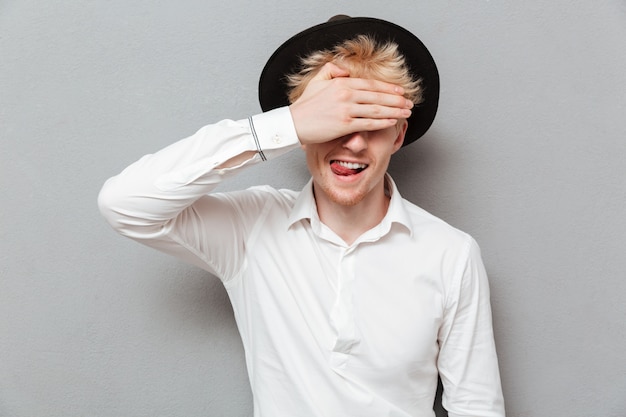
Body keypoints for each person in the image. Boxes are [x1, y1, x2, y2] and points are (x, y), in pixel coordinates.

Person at [98, 15, 505, 417]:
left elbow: (477, 405)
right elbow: (124, 203)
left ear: (399, 135)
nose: (355, 142)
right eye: (338, 121)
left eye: (374, 121)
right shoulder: (250, 227)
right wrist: (286, 124)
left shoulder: (451, 254)